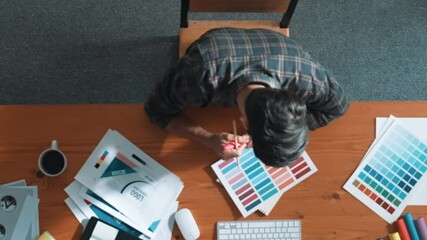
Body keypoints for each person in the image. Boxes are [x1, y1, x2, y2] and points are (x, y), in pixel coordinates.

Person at [145, 28, 349, 167]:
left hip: (279, 47)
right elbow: (156, 110)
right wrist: (208, 139)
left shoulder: (306, 78)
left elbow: (338, 106)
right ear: (243, 122)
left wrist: (282, 129)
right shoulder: (199, 77)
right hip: (215, 46)